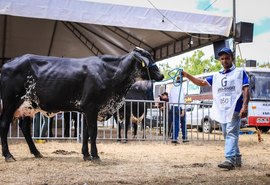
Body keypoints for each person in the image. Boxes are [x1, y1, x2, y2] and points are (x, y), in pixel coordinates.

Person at [182, 47, 249, 170]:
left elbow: (246, 89)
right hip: (222, 109)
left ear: (232, 58)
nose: (224, 61)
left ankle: (229, 159)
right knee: (226, 133)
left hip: (235, 108)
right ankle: (237, 157)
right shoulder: (216, 76)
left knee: (231, 133)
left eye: (227, 58)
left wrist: (245, 106)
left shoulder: (240, 72)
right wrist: (187, 75)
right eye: (222, 59)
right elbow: (202, 82)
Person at [168, 78, 188, 143]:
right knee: (183, 123)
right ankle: (184, 137)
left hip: (173, 106)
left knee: (175, 123)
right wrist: (183, 109)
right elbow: (182, 99)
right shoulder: (181, 88)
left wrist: (171, 107)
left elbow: (170, 99)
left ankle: (174, 137)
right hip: (179, 106)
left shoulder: (172, 89)